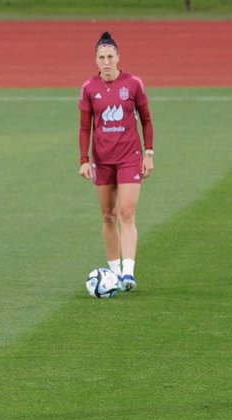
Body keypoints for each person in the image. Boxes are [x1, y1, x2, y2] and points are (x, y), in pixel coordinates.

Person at [78, 31, 155, 292]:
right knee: (108, 216)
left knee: (126, 212)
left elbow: (146, 119)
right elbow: (84, 127)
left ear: (118, 57)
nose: (107, 61)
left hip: (129, 158)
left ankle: (128, 274)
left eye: (110, 56)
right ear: (96, 60)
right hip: (102, 161)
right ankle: (113, 275)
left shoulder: (133, 84)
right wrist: (84, 160)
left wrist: (149, 153)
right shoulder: (89, 89)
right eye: (102, 57)